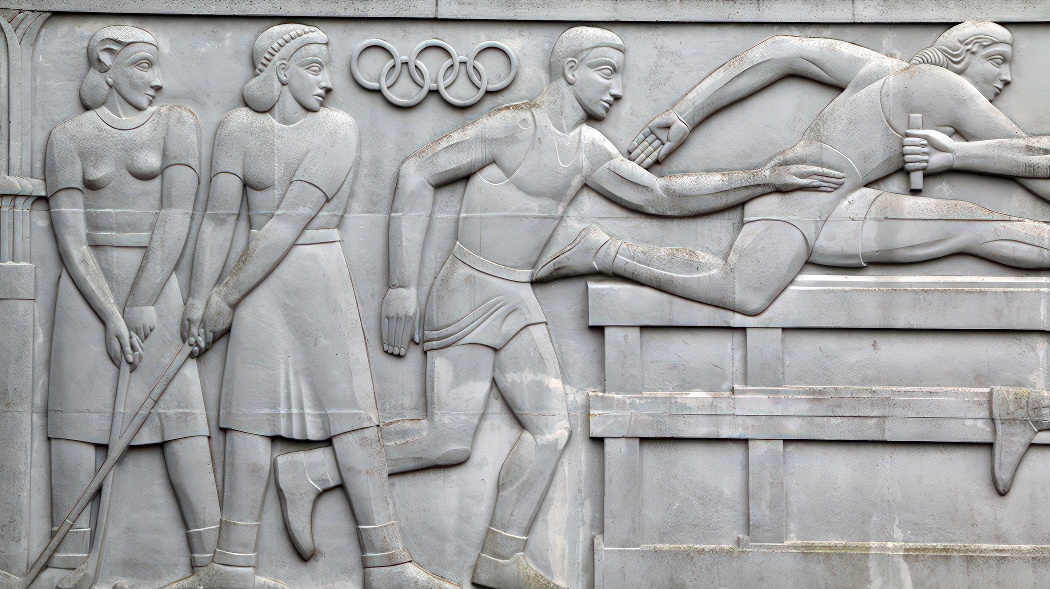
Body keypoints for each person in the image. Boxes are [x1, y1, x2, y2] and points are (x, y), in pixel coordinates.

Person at [270, 25, 845, 589]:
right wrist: (401, 286)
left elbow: (661, 196)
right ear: (570, 71)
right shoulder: (514, 127)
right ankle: (311, 470)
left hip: (515, 297)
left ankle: (499, 558)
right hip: (467, 292)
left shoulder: (588, 149)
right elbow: (417, 171)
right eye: (605, 72)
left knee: (550, 430)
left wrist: (763, 178)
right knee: (447, 439)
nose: (617, 90)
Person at [167, 23, 457, 589]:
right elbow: (219, 220)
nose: (327, 82)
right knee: (247, 419)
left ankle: (387, 562)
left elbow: (288, 221)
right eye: (315, 68)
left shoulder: (337, 129)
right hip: (258, 291)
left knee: (352, 418)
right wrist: (198, 300)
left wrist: (225, 296)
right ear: (282, 72)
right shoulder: (236, 129)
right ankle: (231, 565)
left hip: (316, 277)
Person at [535, 21, 1050, 318]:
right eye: (996, 60)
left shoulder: (889, 71)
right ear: (961, 57)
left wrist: (685, 114)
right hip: (803, 197)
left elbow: (783, 51)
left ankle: (603, 250)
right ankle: (602, 251)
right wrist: (958, 156)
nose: (1006, 77)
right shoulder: (948, 88)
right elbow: (1033, 159)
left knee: (978, 226)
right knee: (744, 291)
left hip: (837, 203)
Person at [45, 25, 220, 588]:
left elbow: (177, 214)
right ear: (108, 64)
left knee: (182, 421)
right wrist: (111, 315)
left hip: (156, 287)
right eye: (144, 65)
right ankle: (68, 563)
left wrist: (142, 300)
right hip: (86, 296)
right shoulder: (67, 137)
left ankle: (212, 562)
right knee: (76, 427)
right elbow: (71, 238)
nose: (158, 80)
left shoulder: (177, 124)